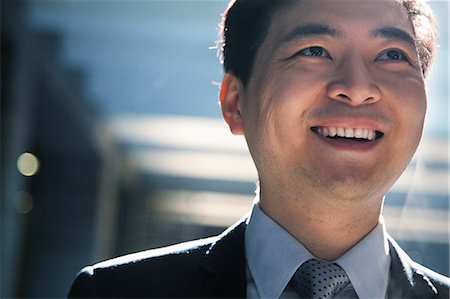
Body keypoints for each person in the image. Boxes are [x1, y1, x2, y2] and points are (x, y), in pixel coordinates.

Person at [68, 0, 450, 298]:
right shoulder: (115, 293)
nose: (356, 86)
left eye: (392, 55)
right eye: (314, 50)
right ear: (235, 103)